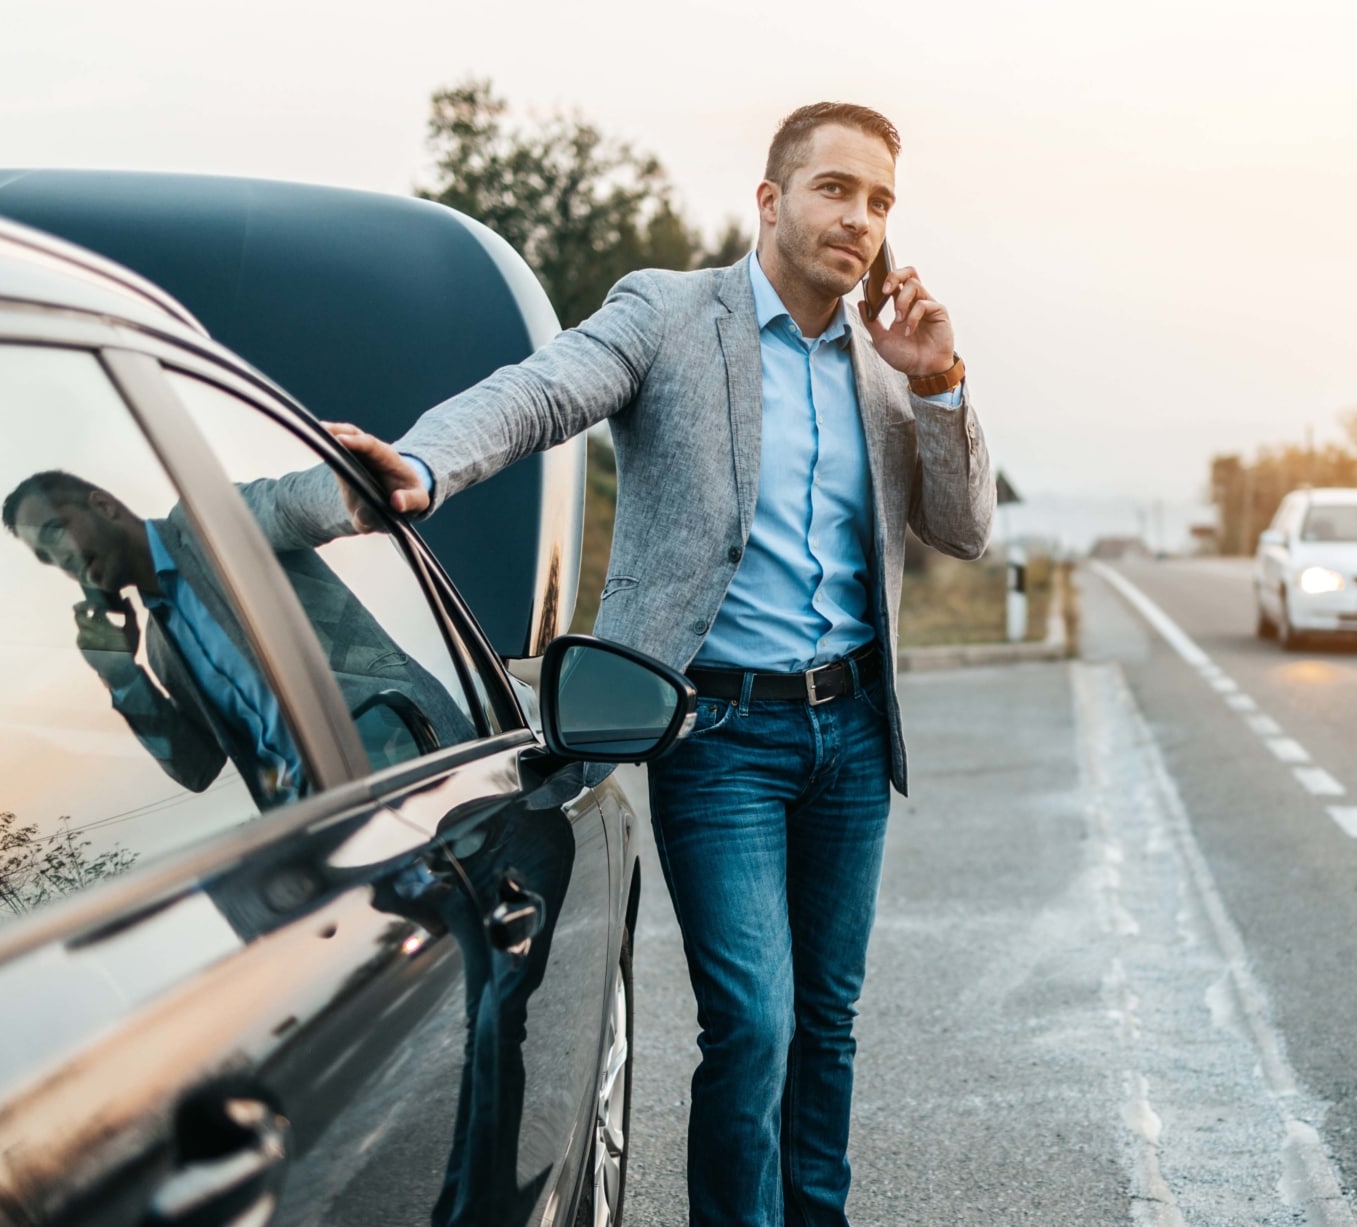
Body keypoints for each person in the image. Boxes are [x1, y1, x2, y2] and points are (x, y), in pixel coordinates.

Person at [327, 102, 992, 1226]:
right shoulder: (670, 314)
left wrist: (938, 384)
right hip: (719, 738)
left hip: (851, 735)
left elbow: (965, 529)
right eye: (835, 189)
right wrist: (424, 467)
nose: (860, 221)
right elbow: (541, 392)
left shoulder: (885, 369)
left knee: (827, 1024)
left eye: (879, 200)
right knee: (755, 1024)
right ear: (771, 200)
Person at [2, 469, 472, 804]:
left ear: (103, 505)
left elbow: (291, 504)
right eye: (45, 557)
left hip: (419, 765)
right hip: (332, 832)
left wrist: (361, 489)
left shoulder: (206, 522)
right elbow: (196, 768)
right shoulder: (163, 650)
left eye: (54, 532)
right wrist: (124, 676)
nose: (59, 560)